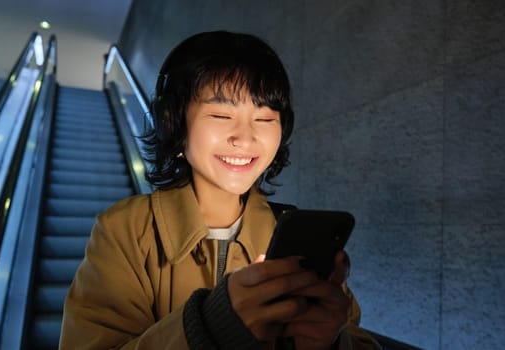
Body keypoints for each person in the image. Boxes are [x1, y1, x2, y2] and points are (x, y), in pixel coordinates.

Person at [60, 30, 380, 350]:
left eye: (265, 118)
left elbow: (361, 340)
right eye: (221, 115)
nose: (245, 138)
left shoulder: (290, 235)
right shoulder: (124, 231)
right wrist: (213, 327)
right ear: (173, 123)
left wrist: (333, 342)